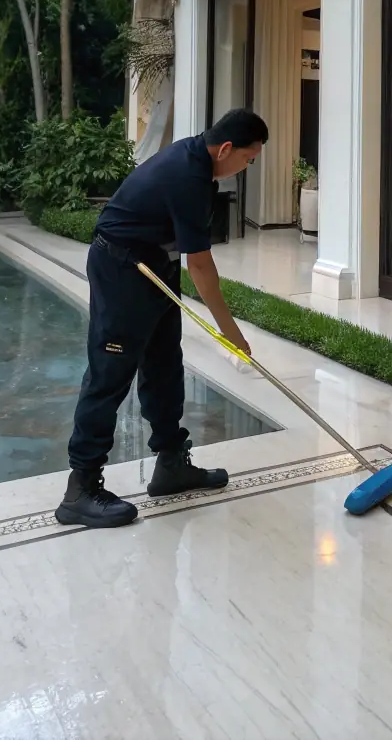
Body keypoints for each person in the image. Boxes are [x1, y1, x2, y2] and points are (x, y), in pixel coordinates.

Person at [56, 108, 269, 529]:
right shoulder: (188, 174)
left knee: (163, 363)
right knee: (110, 372)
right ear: (226, 148)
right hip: (122, 268)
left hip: (154, 265)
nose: (246, 168)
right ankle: (80, 488)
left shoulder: (199, 164)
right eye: (248, 159)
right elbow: (202, 266)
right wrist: (231, 333)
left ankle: (171, 463)